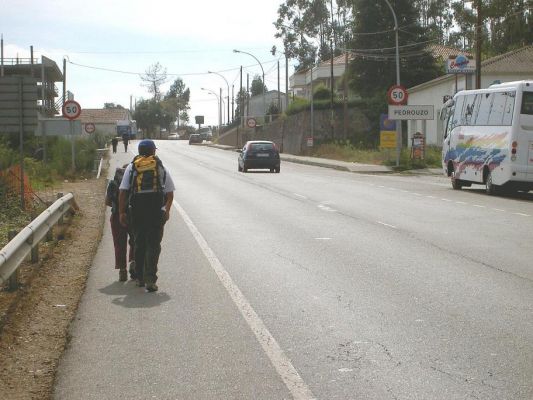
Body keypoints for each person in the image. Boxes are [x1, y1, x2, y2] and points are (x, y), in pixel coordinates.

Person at [118, 139, 175, 292]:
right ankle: (151, 279)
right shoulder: (160, 167)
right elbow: (170, 194)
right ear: (153, 151)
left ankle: (140, 279)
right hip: (156, 210)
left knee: (139, 243)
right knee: (154, 245)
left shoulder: (131, 167)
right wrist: (166, 210)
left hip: (137, 210)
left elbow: (123, 191)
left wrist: (122, 212)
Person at [105, 166, 135, 281]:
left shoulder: (113, 183)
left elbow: (107, 202)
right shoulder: (134, 181)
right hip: (132, 216)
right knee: (134, 241)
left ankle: (122, 271)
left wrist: (117, 206)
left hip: (117, 216)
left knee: (119, 244)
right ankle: (133, 262)